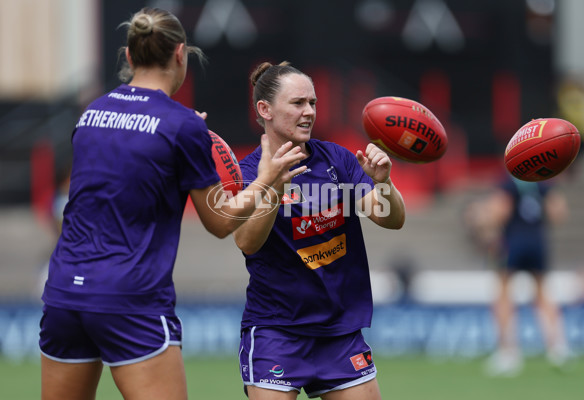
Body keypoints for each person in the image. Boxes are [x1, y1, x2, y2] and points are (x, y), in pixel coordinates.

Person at [39, 9, 306, 400]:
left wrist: (183, 135)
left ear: (129, 57)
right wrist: (268, 179)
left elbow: (121, 172)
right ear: (181, 54)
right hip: (129, 298)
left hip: (64, 293)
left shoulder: (92, 113)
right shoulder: (182, 126)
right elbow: (220, 221)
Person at [233, 61, 406, 399]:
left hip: (339, 332)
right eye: (297, 103)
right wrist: (273, 188)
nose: (308, 111)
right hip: (275, 332)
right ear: (264, 109)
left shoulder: (337, 160)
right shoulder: (248, 171)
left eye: (312, 103)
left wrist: (384, 183)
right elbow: (247, 242)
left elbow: (390, 218)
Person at [483, 175, 570, 376]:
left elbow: (498, 213)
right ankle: (557, 348)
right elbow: (558, 213)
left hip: (512, 242)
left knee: (504, 294)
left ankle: (508, 353)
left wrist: (486, 219)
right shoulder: (543, 184)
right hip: (538, 241)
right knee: (542, 294)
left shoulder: (507, 184)